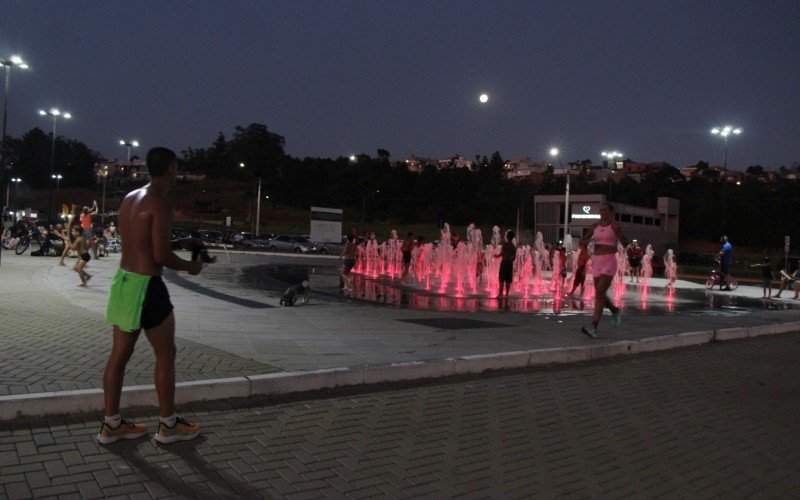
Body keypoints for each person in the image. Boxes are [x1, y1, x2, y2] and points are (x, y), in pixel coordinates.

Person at [98, 147, 204, 445]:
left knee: (118, 356)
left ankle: (111, 424)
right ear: (171, 169)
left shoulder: (131, 198)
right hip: (148, 287)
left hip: (124, 281)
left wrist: (180, 241)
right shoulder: (160, 202)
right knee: (166, 354)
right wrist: (191, 267)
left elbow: (141, 239)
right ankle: (169, 425)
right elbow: (158, 255)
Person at [578, 202, 628, 338]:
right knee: (599, 293)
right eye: (601, 210)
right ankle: (614, 310)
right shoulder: (595, 226)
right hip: (596, 261)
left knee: (600, 291)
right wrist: (584, 241)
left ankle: (593, 326)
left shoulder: (615, 226)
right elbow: (584, 240)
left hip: (609, 261)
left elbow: (625, 241)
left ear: (611, 212)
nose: (602, 212)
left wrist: (623, 240)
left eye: (605, 210)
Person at [495, 229, 517, 299]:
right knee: (508, 280)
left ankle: (500, 294)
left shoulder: (505, 244)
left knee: (501, 279)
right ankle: (507, 294)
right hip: (510, 264)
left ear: (507, 237)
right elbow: (514, 258)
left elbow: (502, 253)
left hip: (504, 263)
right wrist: (510, 259)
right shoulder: (514, 247)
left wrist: (496, 256)